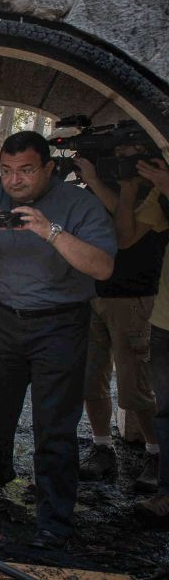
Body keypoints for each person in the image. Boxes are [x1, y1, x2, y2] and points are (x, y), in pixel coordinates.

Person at [0, 131, 116, 550]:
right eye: (7, 171)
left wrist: (50, 231)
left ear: (48, 168)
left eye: (25, 171)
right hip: (4, 318)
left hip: (60, 323)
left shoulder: (78, 204)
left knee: (54, 422)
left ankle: (54, 517)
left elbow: (102, 268)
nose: (14, 180)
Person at [73, 147, 165, 490]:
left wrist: (110, 185)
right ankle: (102, 448)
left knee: (135, 385)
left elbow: (123, 236)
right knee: (89, 378)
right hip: (92, 293)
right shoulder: (92, 192)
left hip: (133, 296)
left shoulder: (154, 192)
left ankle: (156, 454)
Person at [114, 153, 169, 521]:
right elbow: (127, 236)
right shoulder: (161, 194)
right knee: (165, 410)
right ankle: (166, 491)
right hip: (166, 319)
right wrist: (128, 189)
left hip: (146, 303)